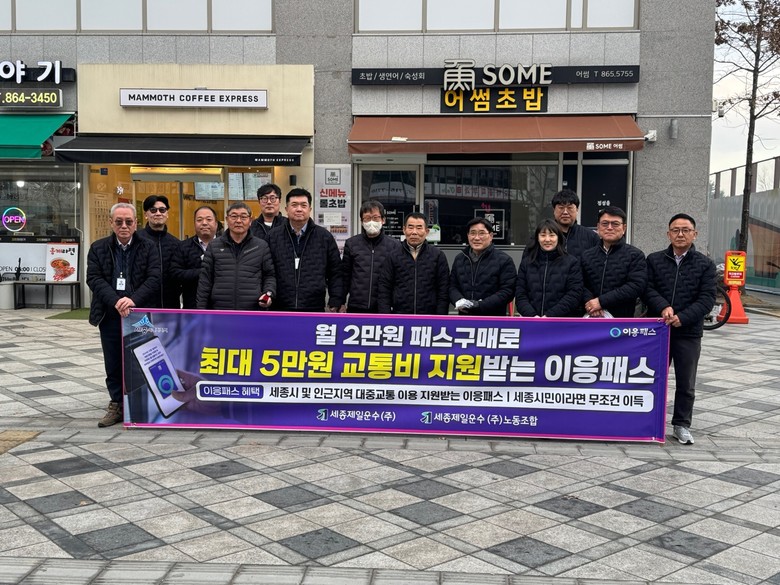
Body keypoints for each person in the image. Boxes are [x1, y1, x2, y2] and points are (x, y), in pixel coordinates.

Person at [644, 213, 716, 445]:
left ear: (695, 234)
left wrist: (682, 318)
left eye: (686, 230)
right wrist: (663, 307)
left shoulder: (705, 264)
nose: (680, 234)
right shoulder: (654, 260)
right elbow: (647, 289)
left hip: (688, 332)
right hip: (658, 330)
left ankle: (681, 425)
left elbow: (707, 299)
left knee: (686, 382)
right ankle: (649, 422)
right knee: (651, 377)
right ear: (668, 234)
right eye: (675, 230)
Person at [87, 203, 160, 428]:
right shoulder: (98, 247)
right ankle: (117, 403)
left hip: (139, 314)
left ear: (136, 223)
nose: (124, 226)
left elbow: (154, 278)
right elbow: (94, 278)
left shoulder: (148, 247)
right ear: (111, 223)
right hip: (110, 314)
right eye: (119, 222)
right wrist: (116, 300)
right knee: (113, 362)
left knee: (142, 359)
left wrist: (133, 299)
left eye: (129, 221)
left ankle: (141, 405)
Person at [267, 188, 344, 312]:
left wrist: (336, 299)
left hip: (313, 306)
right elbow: (266, 271)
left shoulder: (324, 237)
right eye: (294, 205)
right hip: (279, 306)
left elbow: (335, 271)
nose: (299, 209)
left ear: (310, 209)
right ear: (286, 209)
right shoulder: (273, 236)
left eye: (303, 205)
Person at [196, 202, 276, 311]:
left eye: (243, 217)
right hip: (220, 310)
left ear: (250, 221)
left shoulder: (261, 246)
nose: (238, 221)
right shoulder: (214, 246)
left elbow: (269, 275)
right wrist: (201, 311)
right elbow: (205, 281)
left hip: (252, 310)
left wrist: (268, 294)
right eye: (234, 216)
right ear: (227, 219)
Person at [581, 206, 647, 318]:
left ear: (624, 228)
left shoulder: (635, 255)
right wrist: (591, 303)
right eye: (605, 224)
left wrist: (601, 302)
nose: (609, 228)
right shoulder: (587, 255)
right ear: (598, 227)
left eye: (615, 224)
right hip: (590, 315)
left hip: (621, 319)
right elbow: (579, 283)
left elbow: (636, 286)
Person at [378, 212, 450, 315]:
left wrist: (440, 318)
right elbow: (384, 289)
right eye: (410, 227)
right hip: (400, 316)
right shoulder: (393, 256)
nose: (414, 232)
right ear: (404, 230)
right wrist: (386, 317)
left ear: (426, 231)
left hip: (429, 317)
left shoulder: (437, 256)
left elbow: (443, 291)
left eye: (419, 228)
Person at [340, 200, 400, 313]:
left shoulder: (394, 245)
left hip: (383, 307)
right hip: (356, 305)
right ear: (361, 221)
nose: (371, 222)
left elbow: (398, 279)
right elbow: (345, 276)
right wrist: (341, 301)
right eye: (367, 218)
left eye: (375, 218)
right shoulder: (352, 243)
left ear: (383, 220)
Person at [515, 219, 583, 317]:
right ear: (537, 238)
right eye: (543, 235)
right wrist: (532, 316)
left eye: (552, 235)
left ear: (558, 237)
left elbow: (574, 294)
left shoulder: (571, 263)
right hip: (532, 320)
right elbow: (520, 294)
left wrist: (549, 316)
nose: (547, 239)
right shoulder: (527, 262)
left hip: (560, 321)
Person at [449, 218, 516, 316]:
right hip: (464, 318)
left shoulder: (504, 260)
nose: (476, 238)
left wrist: (480, 305)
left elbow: (507, 291)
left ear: (491, 236)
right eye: (472, 233)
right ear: (468, 235)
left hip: (493, 319)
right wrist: (459, 301)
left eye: (481, 233)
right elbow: (452, 286)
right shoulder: (460, 259)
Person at [137, 195, 181, 308]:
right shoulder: (135, 241)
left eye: (162, 210)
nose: (158, 213)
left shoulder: (176, 243)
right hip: (142, 304)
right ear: (146, 214)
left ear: (167, 214)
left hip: (170, 305)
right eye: (153, 210)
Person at [171, 206, 218, 309]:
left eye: (209, 219)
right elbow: (175, 273)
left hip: (220, 307)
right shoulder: (183, 247)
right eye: (199, 220)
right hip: (192, 306)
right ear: (194, 224)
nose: (204, 223)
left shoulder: (226, 246)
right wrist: (202, 272)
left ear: (216, 223)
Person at [530, 189, 599, 259]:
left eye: (570, 208)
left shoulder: (591, 237)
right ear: (554, 210)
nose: (565, 212)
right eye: (561, 208)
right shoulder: (541, 237)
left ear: (577, 210)